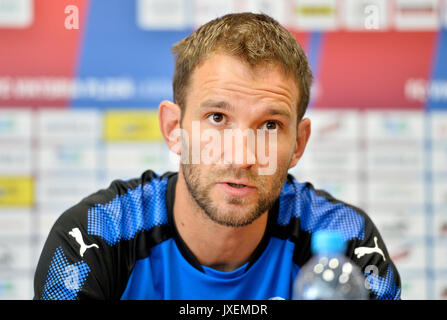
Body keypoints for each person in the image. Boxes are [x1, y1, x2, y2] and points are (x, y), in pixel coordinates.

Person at [33, 12, 401, 300]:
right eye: (217, 118)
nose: (241, 157)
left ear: (299, 143)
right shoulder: (96, 235)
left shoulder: (347, 245)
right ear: (174, 129)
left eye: (269, 125)